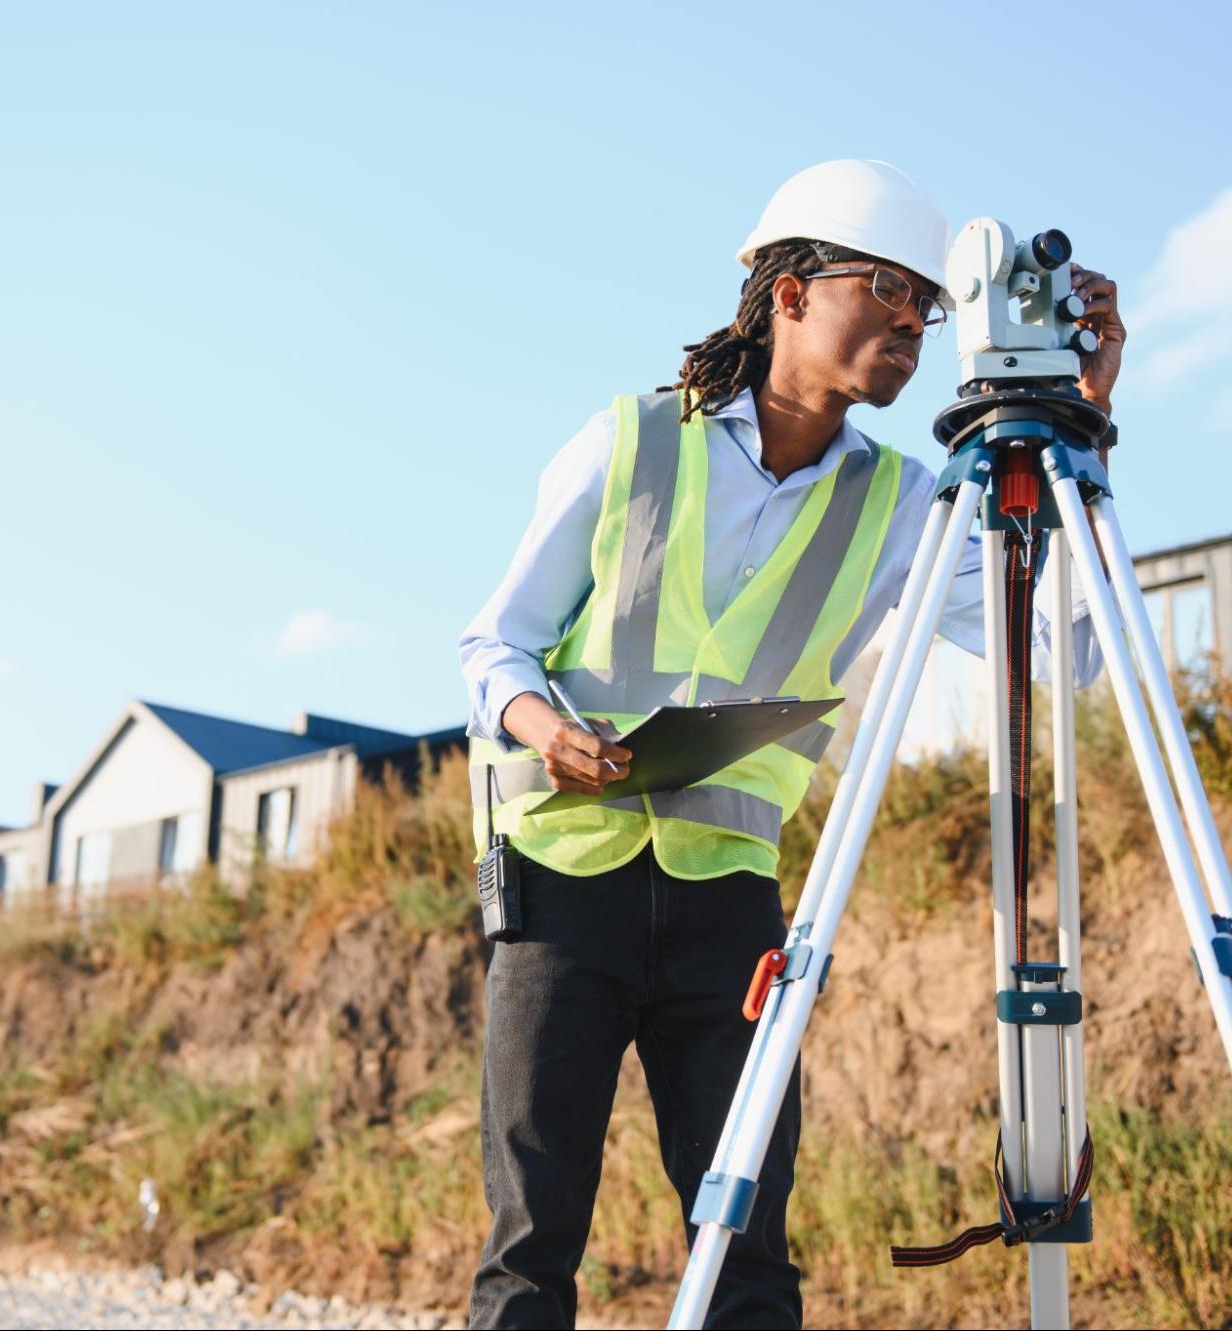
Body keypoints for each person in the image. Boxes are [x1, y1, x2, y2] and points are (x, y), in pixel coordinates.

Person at [456, 159, 1127, 1330]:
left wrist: (1083, 435)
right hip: (562, 882)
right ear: (789, 293)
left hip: (731, 905)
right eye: (885, 287)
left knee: (748, 1244)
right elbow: (493, 645)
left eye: (928, 303)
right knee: (532, 1240)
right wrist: (543, 726)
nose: (912, 320)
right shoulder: (625, 442)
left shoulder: (907, 502)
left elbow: (1067, 648)